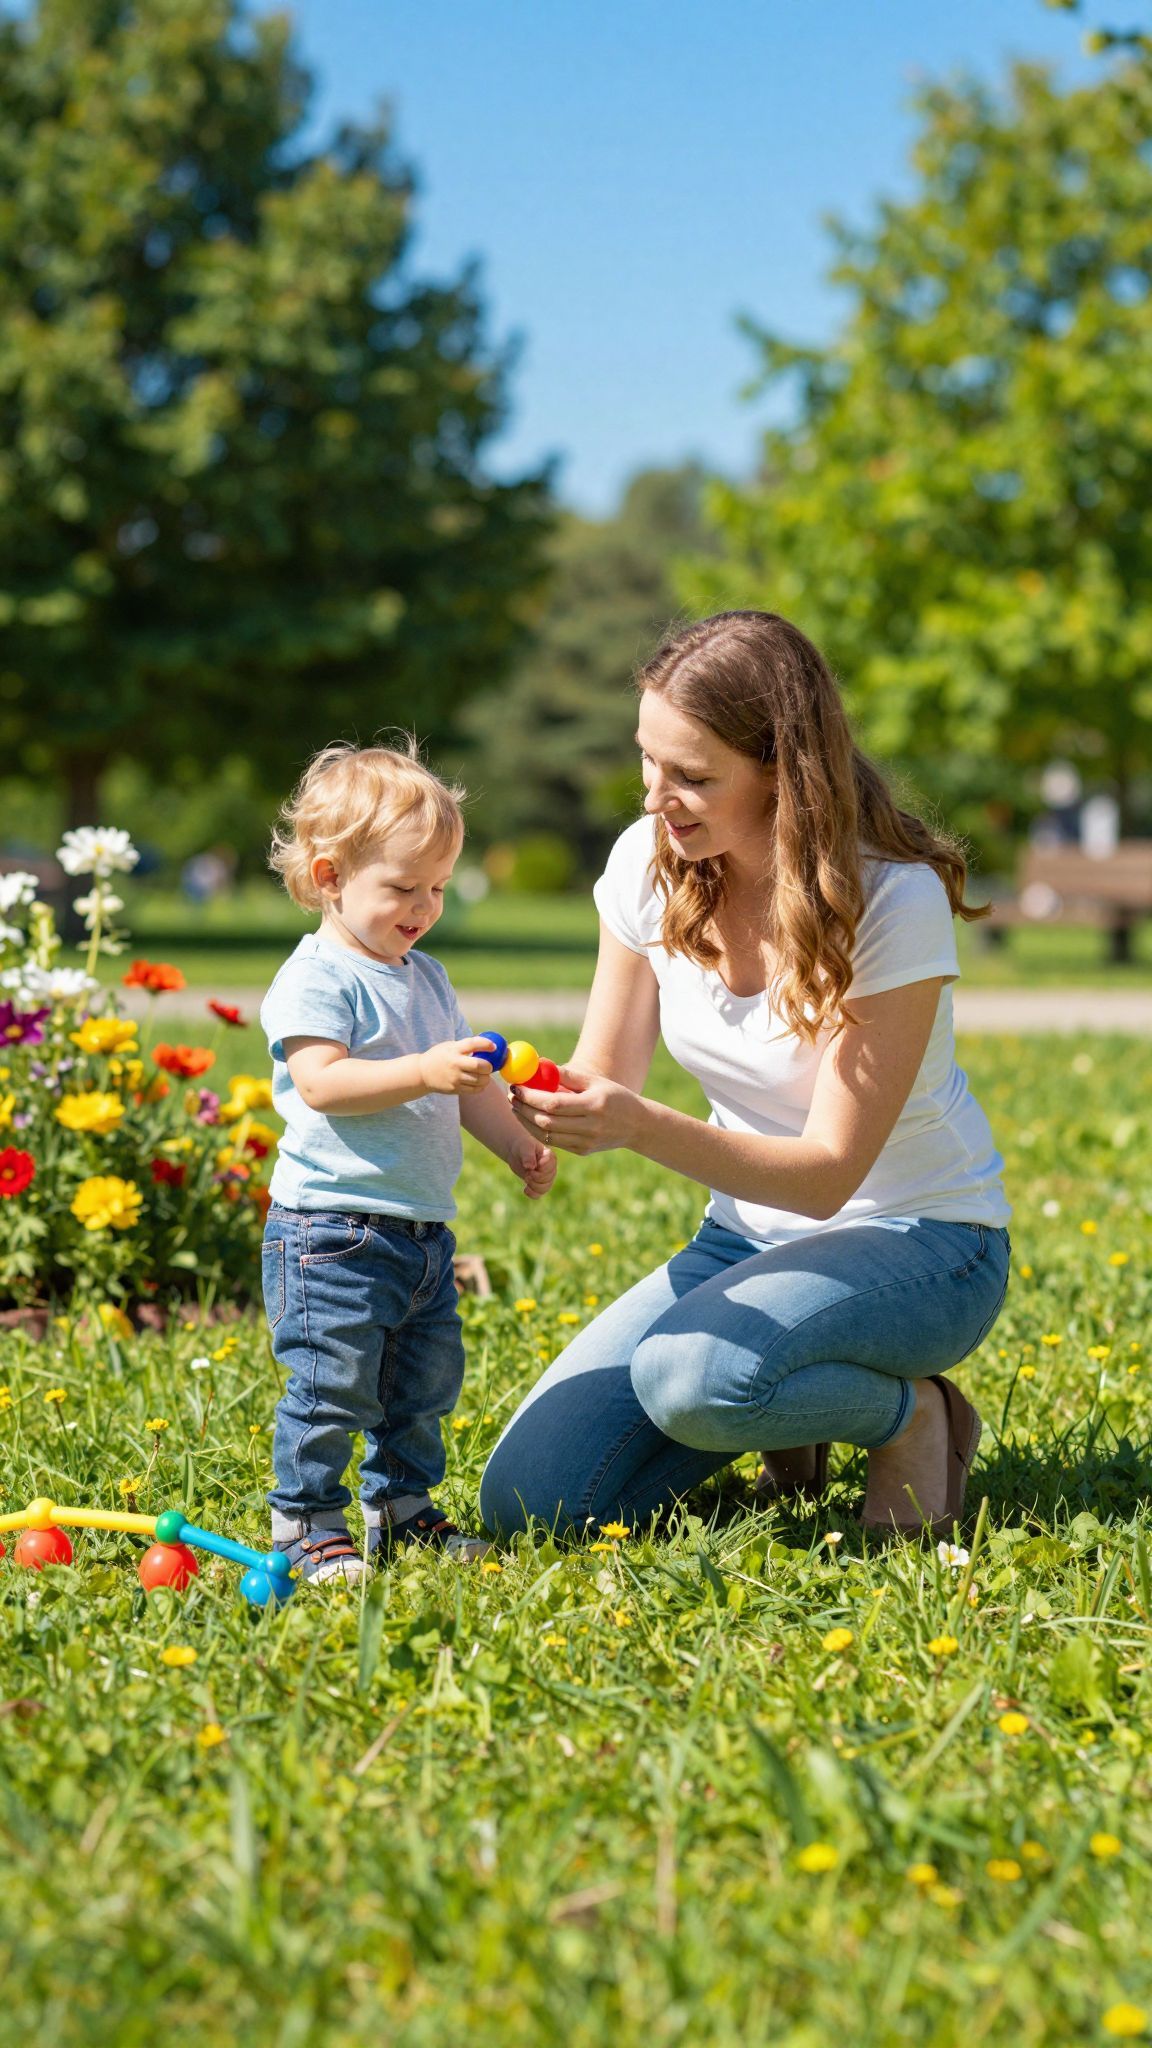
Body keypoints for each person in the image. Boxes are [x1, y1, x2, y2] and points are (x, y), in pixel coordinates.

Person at [480, 611, 1011, 1543]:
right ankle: (781, 1401)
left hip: (922, 1243)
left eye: (692, 776)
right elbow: (601, 1072)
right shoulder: (650, 869)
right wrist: (493, 1084)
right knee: (530, 1501)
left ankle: (916, 1416)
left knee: (690, 1378)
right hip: (744, 1243)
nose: (655, 798)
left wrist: (640, 1126)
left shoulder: (891, 898)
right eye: (647, 760)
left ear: (783, 771)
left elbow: (827, 1175)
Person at [261, 741, 556, 1584]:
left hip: (423, 1237)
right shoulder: (317, 979)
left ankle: (401, 1510)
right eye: (401, 887)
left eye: (436, 886)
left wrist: (513, 1143)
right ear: (329, 877)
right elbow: (322, 1083)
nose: (423, 906)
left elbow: (465, 1091)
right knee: (330, 1386)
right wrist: (423, 1069)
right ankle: (308, 1522)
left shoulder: (426, 976)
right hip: (330, 1233)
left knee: (420, 1388)